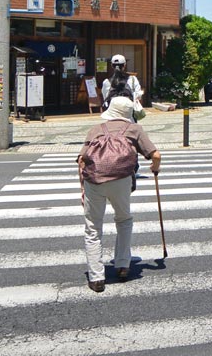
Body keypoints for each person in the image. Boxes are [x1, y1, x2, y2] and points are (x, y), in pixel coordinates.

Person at [77, 96, 161, 292]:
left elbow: (82, 160)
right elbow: (156, 155)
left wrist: (83, 188)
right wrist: (154, 169)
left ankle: (97, 278)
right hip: (121, 180)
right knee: (123, 220)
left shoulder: (96, 129)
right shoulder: (135, 129)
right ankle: (123, 265)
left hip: (95, 181)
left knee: (93, 228)